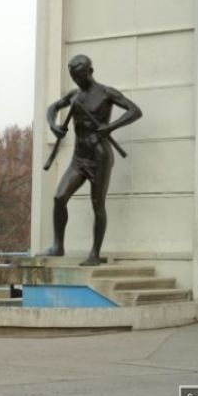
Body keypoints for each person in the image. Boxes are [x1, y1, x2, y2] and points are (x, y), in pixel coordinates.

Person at [42, 55, 142, 266]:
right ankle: (58, 246)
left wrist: (111, 126)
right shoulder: (74, 96)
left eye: (79, 76)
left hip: (100, 156)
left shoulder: (106, 93)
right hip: (79, 157)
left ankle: (95, 253)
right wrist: (53, 126)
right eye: (73, 77)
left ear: (90, 71)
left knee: (97, 205)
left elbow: (135, 111)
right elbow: (51, 108)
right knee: (59, 198)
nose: (77, 80)